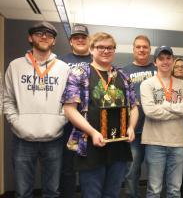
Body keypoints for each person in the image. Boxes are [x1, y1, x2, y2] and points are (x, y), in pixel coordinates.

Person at [61, 32, 138, 198]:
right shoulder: (79, 73)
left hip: (119, 146)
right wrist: (92, 132)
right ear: (92, 49)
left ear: (114, 50)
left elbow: (134, 107)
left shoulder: (123, 76)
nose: (105, 51)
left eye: (110, 47)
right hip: (91, 145)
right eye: (101, 47)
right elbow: (69, 109)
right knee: (92, 194)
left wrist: (131, 127)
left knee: (113, 194)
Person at [3, 21, 70, 197]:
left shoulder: (64, 68)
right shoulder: (15, 66)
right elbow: (7, 99)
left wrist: (59, 122)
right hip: (22, 138)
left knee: (52, 191)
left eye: (49, 34)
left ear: (54, 41)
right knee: (23, 192)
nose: (44, 36)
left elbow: (69, 101)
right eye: (39, 33)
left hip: (54, 138)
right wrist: (17, 123)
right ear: (30, 37)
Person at [140, 46, 183, 197]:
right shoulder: (147, 84)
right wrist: (178, 112)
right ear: (155, 62)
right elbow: (150, 111)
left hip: (178, 143)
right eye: (161, 58)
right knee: (154, 189)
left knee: (175, 190)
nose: (165, 61)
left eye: (168, 58)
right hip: (155, 143)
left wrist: (166, 105)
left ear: (172, 60)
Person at [59, 24, 92, 198]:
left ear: (89, 40)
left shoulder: (97, 60)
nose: (80, 39)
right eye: (76, 37)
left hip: (90, 122)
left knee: (90, 168)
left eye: (83, 37)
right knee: (67, 168)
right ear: (71, 41)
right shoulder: (59, 61)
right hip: (67, 122)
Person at [123, 35, 156, 198]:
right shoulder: (124, 71)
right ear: (133, 49)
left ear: (150, 50)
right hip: (133, 131)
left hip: (156, 129)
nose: (142, 49)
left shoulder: (158, 69)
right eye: (138, 47)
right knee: (131, 171)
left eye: (145, 47)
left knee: (155, 173)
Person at [171, 57, 183, 197]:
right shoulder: (167, 86)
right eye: (176, 66)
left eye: (182, 67)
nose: (179, 69)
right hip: (172, 134)